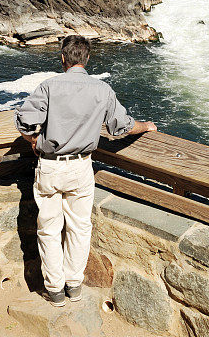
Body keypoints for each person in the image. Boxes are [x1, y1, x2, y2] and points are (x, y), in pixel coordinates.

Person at [15, 35, 157, 307]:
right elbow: (121, 127)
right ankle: (74, 285)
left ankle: (55, 290)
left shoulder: (48, 86)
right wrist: (146, 126)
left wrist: (33, 142)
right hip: (81, 166)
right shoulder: (102, 90)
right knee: (80, 228)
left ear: (63, 59)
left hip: (51, 167)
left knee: (48, 229)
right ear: (87, 59)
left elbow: (24, 122)